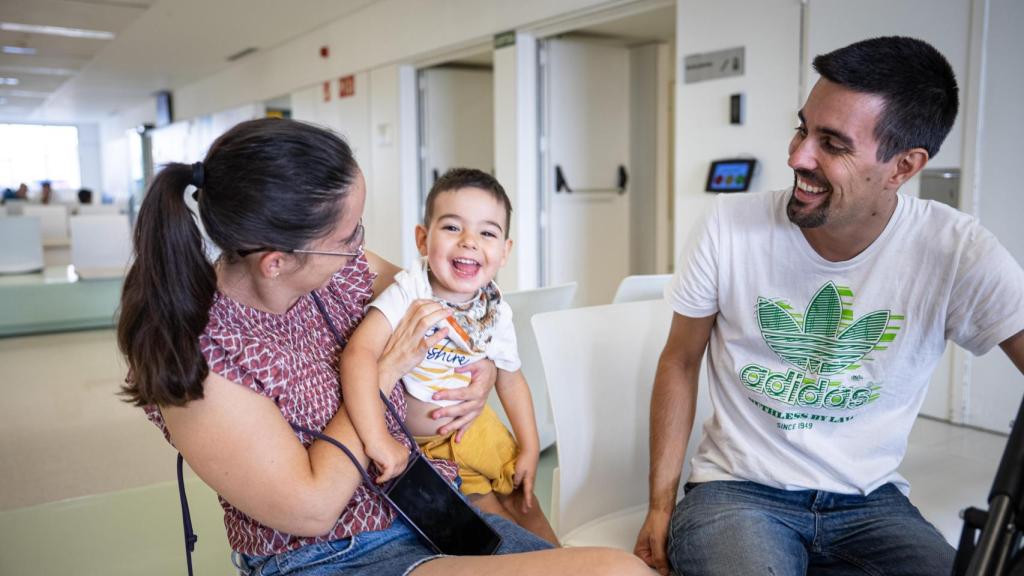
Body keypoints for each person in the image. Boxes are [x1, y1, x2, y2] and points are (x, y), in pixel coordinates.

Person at [118, 118, 650, 576]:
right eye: (349, 236)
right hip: (332, 556)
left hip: (432, 509)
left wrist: (484, 365)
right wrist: (381, 370)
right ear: (276, 262)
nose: (361, 248)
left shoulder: (339, 269)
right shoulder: (200, 357)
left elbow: (446, 301)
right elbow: (312, 508)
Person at [633, 36, 1024, 576]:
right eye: (803, 128)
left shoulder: (957, 250)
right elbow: (680, 360)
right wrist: (660, 506)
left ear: (903, 166)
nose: (797, 157)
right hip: (738, 493)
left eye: (833, 144)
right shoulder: (729, 226)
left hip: (872, 502)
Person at [341, 168, 556, 544]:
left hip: (479, 431)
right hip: (427, 449)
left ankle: (561, 560)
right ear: (423, 239)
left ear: (505, 251)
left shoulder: (494, 310)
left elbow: (511, 379)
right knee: (491, 529)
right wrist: (376, 439)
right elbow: (358, 353)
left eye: (487, 233)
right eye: (453, 227)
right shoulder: (408, 292)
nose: (469, 242)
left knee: (524, 505)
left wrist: (530, 445)